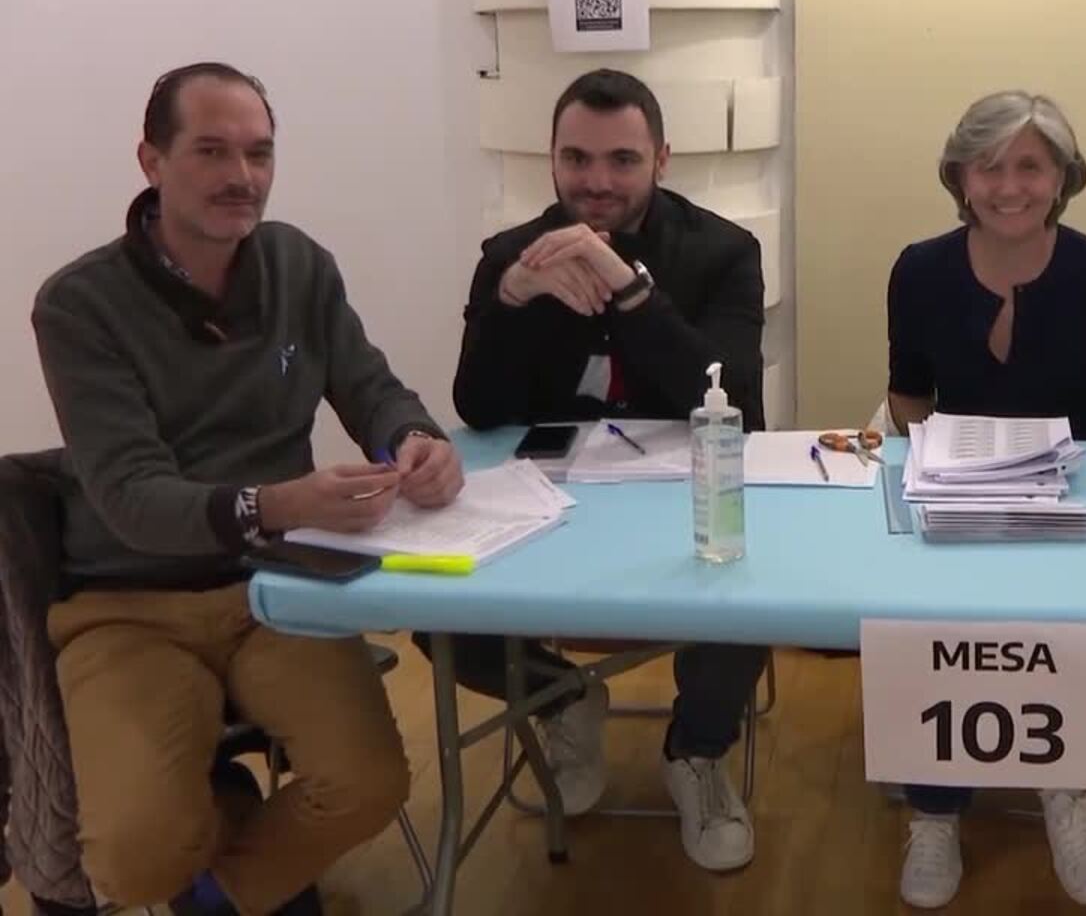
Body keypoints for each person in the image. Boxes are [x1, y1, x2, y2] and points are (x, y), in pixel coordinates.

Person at [31, 62, 463, 916]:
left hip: (278, 587)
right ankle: (226, 818)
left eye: (259, 153)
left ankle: (223, 885)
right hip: (128, 603)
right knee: (128, 864)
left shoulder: (299, 265)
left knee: (370, 783)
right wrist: (280, 503)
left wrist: (415, 440)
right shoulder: (80, 305)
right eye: (211, 151)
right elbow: (132, 498)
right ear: (152, 160)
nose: (242, 176)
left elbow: (371, 387)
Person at [443, 68, 769, 872]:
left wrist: (629, 288)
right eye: (576, 159)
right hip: (549, 498)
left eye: (622, 160)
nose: (596, 181)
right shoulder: (510, 256)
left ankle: (696, 751)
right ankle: (563, 697)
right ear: (551, 158)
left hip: (682, 493)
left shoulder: (724, 252)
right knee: (438, 608)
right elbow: (479, 408)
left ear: (662, 159)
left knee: (756, 588)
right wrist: (511, 298)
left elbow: (733, 398)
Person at [886, 91, 1086, 908]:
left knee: (1070, 609)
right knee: (925, 605)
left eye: (1031, 167)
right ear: (960, 178)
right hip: (954, 495)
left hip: (1072, 501)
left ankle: (1066, 793)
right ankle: (935, 810)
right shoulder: (919, 270)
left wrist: (1075, 490)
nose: (1010, 187)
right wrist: (944, 466)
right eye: (990, 167)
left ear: (1063, 177)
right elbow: (908, 394)